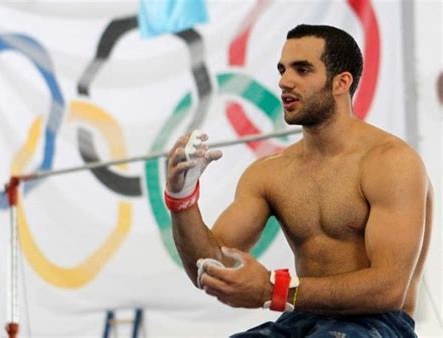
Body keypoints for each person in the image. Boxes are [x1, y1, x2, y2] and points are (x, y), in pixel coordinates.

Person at [164, 24, 433, 337]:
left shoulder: (391, 162)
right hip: (300, 319)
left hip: (378, 323)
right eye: (282, 69)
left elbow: (390, 290)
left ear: (341, 82)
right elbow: (211, 267)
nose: (284, 81)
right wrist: (182, 200)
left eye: (302, 70)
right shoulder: (270, 172)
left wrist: (274, 290)